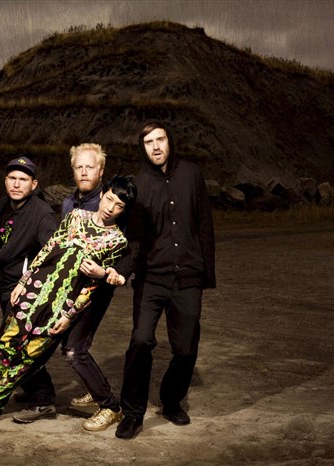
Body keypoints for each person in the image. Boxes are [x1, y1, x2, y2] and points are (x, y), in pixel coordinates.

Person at [0, 175, 136, 430]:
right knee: (3, 347)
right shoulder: (76, 216)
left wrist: (69, 315)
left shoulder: (117, 241)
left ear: (124, 210)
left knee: (27, 359)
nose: (111, 207)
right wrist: (23, 281)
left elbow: (92, 286)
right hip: (35, 291)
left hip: (62, 306)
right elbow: (47, 249)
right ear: (102, 195)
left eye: (119, 205)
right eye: (109, 199)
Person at [112, 121, 216, 439]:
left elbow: (204, 224)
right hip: (151, 280)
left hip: (188, 278)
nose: (156, 146)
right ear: (142, 148)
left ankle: (171, 401)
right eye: (149, 142)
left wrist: (206, 273)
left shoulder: (192, 174)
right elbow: (135, 238)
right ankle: (133, 413)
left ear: (170, 141)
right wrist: (123, 270)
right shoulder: (139, 185)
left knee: (185, 348)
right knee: (141, 340)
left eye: (160, 139)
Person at [12, 143, 126, 431]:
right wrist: (32, 281)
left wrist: (110, 274)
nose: (84, 172)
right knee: (66, 344)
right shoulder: (69, 205)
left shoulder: (112, 202)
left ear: (101, 171)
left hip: (93, 289)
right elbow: (58, 246)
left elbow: (124, 247)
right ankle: (92, 389)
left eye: (90, 167)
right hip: (66, 287)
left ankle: (108, 405)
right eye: (79, 167)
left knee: (74, 348)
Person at [0, 156, 58, 413]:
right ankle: (37, 389)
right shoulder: (3, 204)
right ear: (5, 181)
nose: (16, 184)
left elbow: (52, 254)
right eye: (12, 178)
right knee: (17, 341)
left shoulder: (42, 214)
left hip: (24, 288)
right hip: (3, 281)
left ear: (33, 184)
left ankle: (41, 398)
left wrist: (29, 281)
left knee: (11, 342)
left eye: (23, 179)